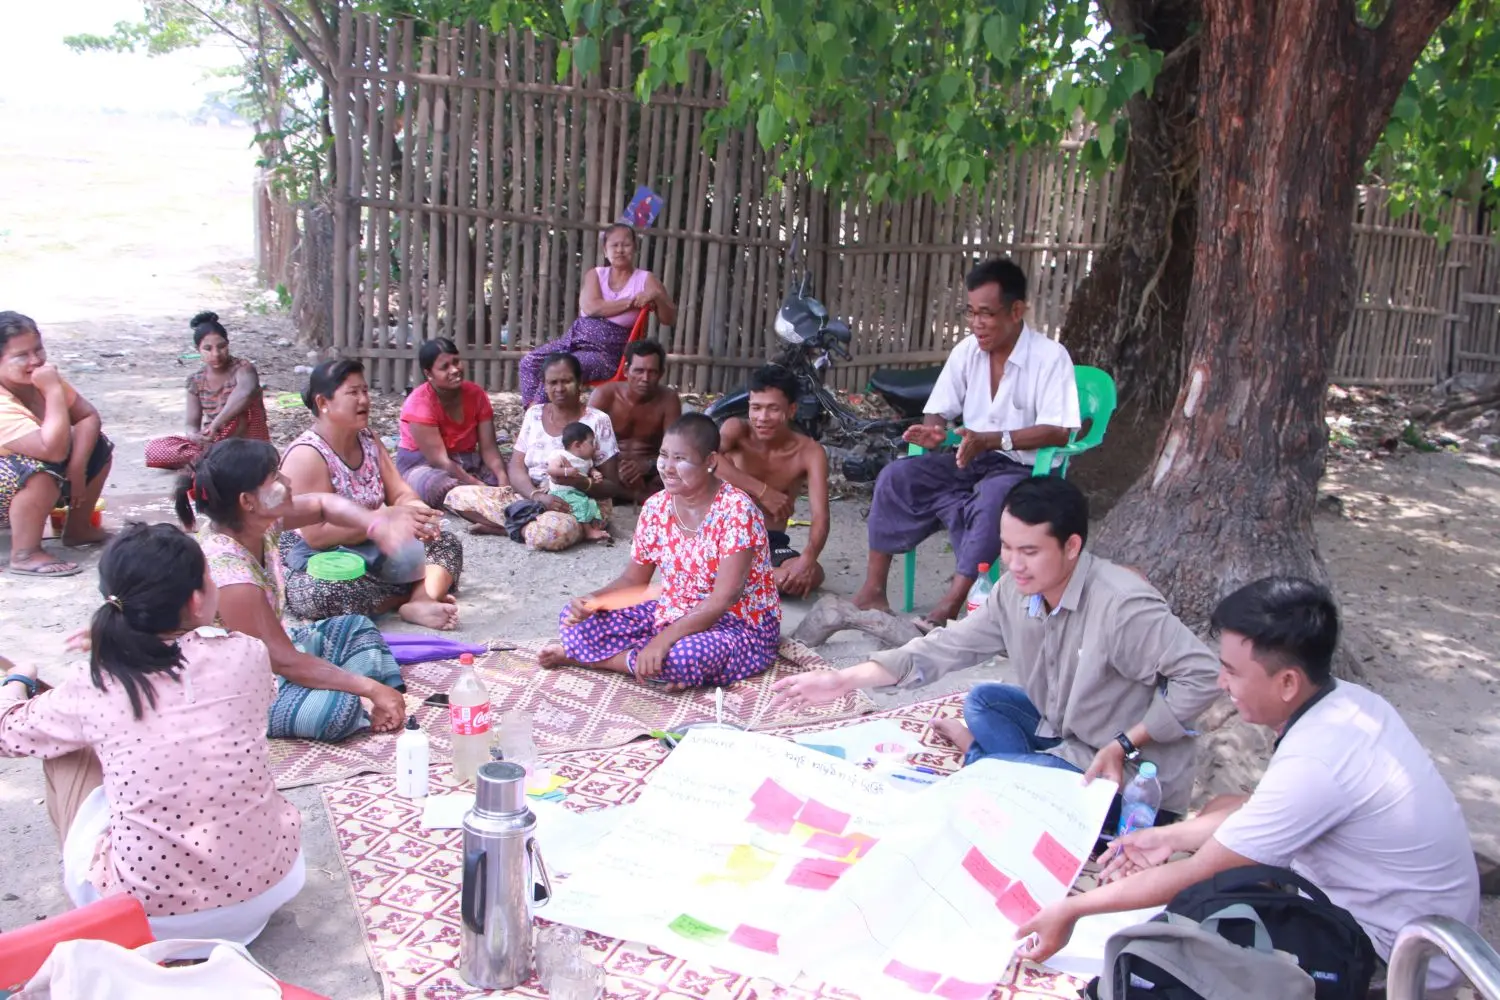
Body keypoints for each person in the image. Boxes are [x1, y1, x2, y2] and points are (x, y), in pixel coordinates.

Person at [1014, 577, 1482, 996]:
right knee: (1224, 807)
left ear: (1287, 682)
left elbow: (1200, 872)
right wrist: (1168, 835)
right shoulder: (1348, 703)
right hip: (1418, 921)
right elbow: (1260, 811)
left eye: (1233, 671)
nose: (1221, 683)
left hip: (1391, 957)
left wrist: (1073, 911)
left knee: (1177, 945)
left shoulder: (1316, 762)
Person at [772, 477, 1220, 826]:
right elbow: (948, 646)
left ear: (1072, 547)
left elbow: (1203, 674)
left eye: (1029, 551)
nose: (1014, 563)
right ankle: (1013, 765)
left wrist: (1127, 742)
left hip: (1123, 777)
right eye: (1006, 548)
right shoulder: (1015, 591)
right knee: (984, 700)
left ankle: (990, 764)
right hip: (1070, 734)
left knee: (998, 786)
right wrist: (842, 680)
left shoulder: (1122, 606)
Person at [0, 523, 304, 944]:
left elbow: (8, 733)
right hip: (265, 891)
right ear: (198, 601)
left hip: (148, 916)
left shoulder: (96, 683)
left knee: (64, 748)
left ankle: (92, 924)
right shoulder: (246, 654)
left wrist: (17, 680)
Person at [851, 259, 1080, 631]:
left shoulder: (1050, 358)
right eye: (971, 313)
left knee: (995, 500)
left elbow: (1059, 431)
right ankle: (873, 590)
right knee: (896, 477)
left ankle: (948, 607)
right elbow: (938, 410)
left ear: (1016, 311)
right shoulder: (967, 352)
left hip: (1023, 468)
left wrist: (995, 439)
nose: (977, 323)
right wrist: (934, 432)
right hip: (969, 457)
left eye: (987, 314)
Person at [178, 437, 431, 741]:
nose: (287, 480)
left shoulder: (256, 520)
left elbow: (324, 504)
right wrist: (369, 688)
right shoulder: (230, 574)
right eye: (275, 478)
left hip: (278, 654)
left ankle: (354, 692)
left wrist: (377, 527)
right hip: (237, 688)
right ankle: (360, 699)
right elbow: (280, 660)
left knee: (357, 628)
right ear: (248, 501)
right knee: (338, 708)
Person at [539, 414, 781, 690]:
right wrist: (593, 600)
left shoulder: (737, 511)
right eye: (664, 455)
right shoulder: (656, 507)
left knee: (682, 657)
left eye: (681, 459)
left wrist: (663, 641)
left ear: (711, 462)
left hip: (739, 625)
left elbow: (722, 600)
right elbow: (634, 581)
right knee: (574, 620)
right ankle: (642, 664)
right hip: (673, 610)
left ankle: (595, 660)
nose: (667, 467)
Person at [280, 359, 464, 631]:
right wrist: (382, 518)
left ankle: (419, 600)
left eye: (365, 391)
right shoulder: (307, 455)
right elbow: (316, 535)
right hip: (322, 557)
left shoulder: (367, 439)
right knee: (326, 592)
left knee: (446, 542)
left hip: (373, 546)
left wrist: (416, 513)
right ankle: (408, 594)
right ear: (323, 403)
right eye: (353, 393)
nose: (364, 399)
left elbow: (399, 492)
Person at [0, 311, 113, 578]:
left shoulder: (38, 377)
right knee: (36, 468)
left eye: (38, 349)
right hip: (17, 481)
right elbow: (52, 450)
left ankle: (78, 528)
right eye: (21, 356)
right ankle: (24, 553)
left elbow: (88, 417)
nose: (36, 360)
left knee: (95, 445)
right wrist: (52, 392)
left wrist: (77, 469)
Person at [518, 224, 677, 405]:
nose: (620, 250)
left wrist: (657, 296)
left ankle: (538, 422)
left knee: (561, 369)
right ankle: (534, 417)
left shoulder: (645, 279)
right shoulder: (596, 274)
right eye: (614, 245)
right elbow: (593, 308)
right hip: (573, 341)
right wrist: (631, 302)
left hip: (607, 355)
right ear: (605, 249)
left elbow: (668, 319)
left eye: (626, 245)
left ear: (635, 248)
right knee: (529, 363)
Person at [717, 364, 829, 598]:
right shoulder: (735, 430)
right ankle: (756, 576)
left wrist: (807, 559)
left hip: (771, 541)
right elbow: (708, 460)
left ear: (792, 410)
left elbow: (820, 516)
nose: (762, 418)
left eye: (773, 409)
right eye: (756, 408)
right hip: (727, 536)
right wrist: (763, 490)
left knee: (814, 574)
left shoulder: (809, 452)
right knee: (778, 577)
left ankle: (746, 577)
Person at [506, 352, 626, 550]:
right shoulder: (534, 414)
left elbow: (612, 486)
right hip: (533, 496)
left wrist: (581, 482)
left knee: (550, 534)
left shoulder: (598, 420)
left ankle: (511, 523)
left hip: (577, 505)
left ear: (580, 383)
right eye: (552, 382)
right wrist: (538, 497)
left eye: (566, 381)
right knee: (457, 497)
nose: (559, 388)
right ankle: (523, 523)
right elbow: (516, 469)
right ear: (544, 385)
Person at [395, 337, 512, 515]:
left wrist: (504, 480)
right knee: (441, 487)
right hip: (424, 466)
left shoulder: (476, 394)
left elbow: (489, 448)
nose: (455, 370)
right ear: (429, 374)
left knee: (511, 473)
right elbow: (440, 461)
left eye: (456, 362)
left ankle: (484, 506)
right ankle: (486, 517)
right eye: (445, 367)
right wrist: (478, 486)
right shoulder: (419, 404)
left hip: (466, 461)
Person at [144, 311, 269, 470]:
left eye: (221, 346)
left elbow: (246, 392)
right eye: (208, 348)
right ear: (198, 350)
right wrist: (195, 437)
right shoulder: (196, 381)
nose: (216, 354)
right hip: (214, 442)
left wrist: (217, 423)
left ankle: (215, 460)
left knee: (241, 411)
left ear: (228, 344)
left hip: (247, 441)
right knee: (156, 448)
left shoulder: (243, 369)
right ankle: (211, 458)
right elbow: (191, 424)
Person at [587, 339, 681, 502]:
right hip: (609, 472)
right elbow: (582, 441)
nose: (645, 378)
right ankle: (643, 498)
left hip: (652, 475)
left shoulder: (668, 399)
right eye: (639, 370)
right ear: (625, 370)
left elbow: (676, 450)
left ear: (661, 373)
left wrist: (647, 466)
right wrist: (612, 468)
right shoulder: (605, 395)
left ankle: (642, 497)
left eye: (652, 372)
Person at [547, 422, 610, 542]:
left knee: (592, 503)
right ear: (578, 445)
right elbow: (551, 469)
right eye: (592, 443)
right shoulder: (561, 455)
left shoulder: (587, 460)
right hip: (562, 493)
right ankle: (588, 531)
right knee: (581, 504)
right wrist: (566, 471)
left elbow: (590, 469)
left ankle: (594, 526)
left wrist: (595, 473)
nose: (595, 447)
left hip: (578, 492)